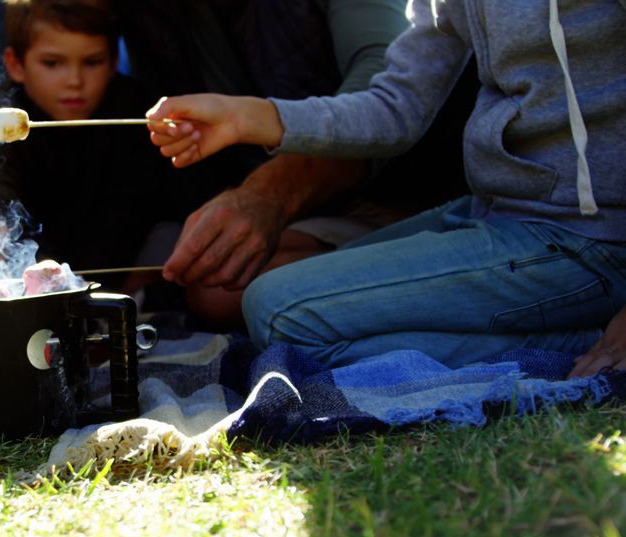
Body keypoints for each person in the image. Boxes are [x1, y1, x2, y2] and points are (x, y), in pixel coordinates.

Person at [146, 0, 626, 371]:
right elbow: (398, 107)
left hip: (588, 237)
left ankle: (585, 341)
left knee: (280, 312)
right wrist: (249, 116)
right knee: (269, 306)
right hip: (492, 213)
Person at [115, 0, 477, 327]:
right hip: (317, 211)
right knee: (212, 280)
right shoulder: (151, 15)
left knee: (241, 295)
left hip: (419, 194)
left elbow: (391, 93)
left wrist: (269, 192)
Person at [0, 0, 175, 291]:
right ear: (15, 65)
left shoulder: (136, 113)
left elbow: (128, 213)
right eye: (52, 63)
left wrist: (80, 286)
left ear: (112, 63)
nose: (74, 81)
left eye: (92, 62)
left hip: (120, 259)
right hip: (35, 267)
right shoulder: (3, 118)